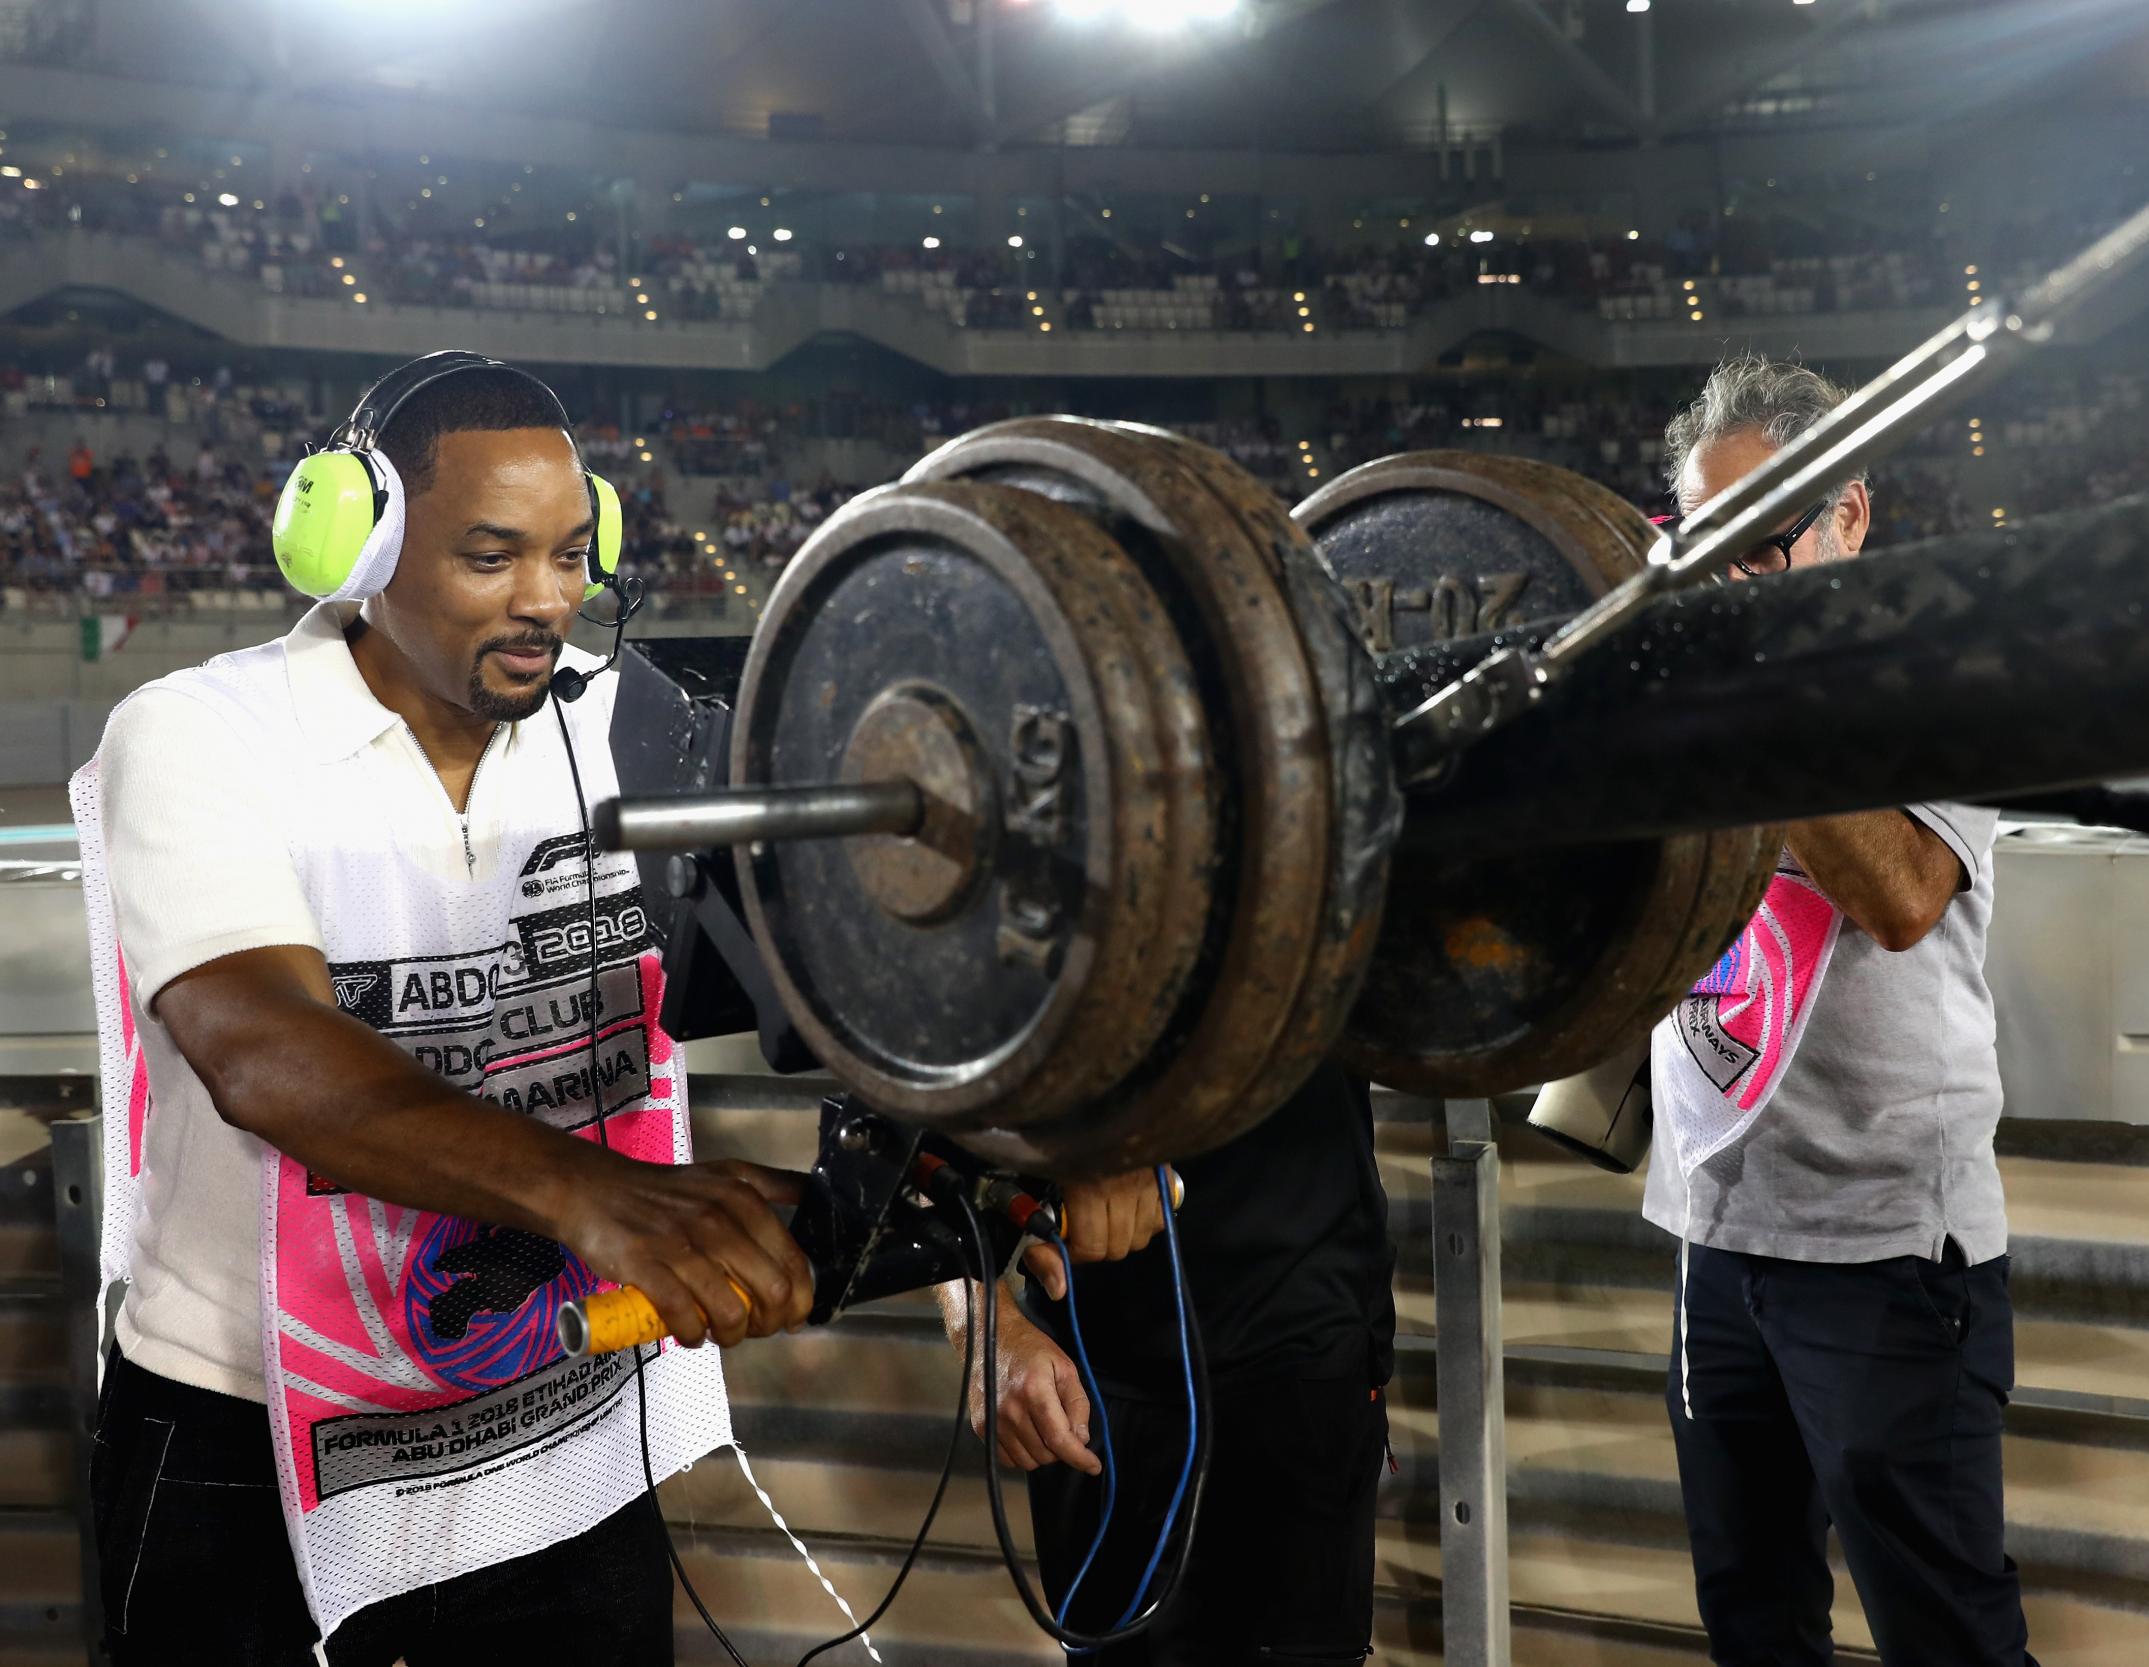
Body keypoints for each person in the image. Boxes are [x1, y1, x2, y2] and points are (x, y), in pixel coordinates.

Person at [75, 355, 815, 1665]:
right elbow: (265, 1049)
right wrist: (598, 1196)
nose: (547, 599)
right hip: (243, 1447)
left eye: (572, 552)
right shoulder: (197, 731)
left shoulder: (627, 716)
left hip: (562, 1434)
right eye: (491, 557)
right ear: (362, 547)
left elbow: (818, 944)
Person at [1647, 356, 2036, 1667]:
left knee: (1949, 1635)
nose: (1731, 578)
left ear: (1851, 515)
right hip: (1716, 1219)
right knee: (1753, 1617)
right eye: (1702, 548)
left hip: (1883, 1248)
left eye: (1765, 545)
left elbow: (1901, 890)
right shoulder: (1664, 661)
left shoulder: (1939, 659)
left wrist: (1738, 699)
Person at [940, 1066, 1394, 1665]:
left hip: (1291, 1375)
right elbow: (915, 1115)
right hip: (1088, 1393)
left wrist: (1128, 1130)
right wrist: (983, 1329)